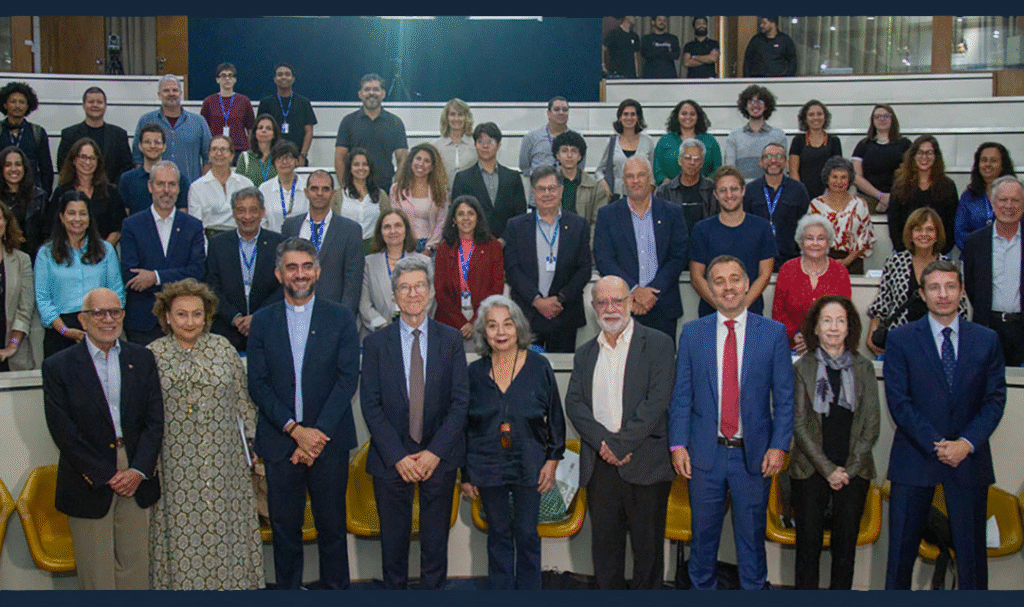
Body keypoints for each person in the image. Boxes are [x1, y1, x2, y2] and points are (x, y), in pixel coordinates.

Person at [670, 254, 794, 590]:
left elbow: (784, 398)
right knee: (703, 544)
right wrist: (677, 443)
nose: (728, 287)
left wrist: (779, 445)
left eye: (735, 278)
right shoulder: (693, 334)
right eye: (720, 281)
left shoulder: (771, 333)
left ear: (747, 282)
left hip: (753, 456)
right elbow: (682, 395)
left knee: (752, 545)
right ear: (708, 287)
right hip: (704, 456)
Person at [884, 259, 1006, 590]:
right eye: (935, 288)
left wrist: (965, 444)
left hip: (968, 461)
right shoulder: (900, 339)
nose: (943, 295)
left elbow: (994, 401)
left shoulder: (987, 340)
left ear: (962, 291)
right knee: (899, 561)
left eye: (950, 286)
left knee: (971, 563)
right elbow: (900, 403)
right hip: (915, 458)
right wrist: (938, 444)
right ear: (922, 294)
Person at [247, 237, 360, 590]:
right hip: (281, 443)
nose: (300, 274)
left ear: (318, 271)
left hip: (329, 441)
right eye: (292, 268)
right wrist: (296, 431)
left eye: (306, 267)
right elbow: (258, 385)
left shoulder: (340, 317)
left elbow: (346, 380)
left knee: (332, 529)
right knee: (284, 531)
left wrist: (315, 435)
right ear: (279, 274)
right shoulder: (262, 322)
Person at [41, 286, 163, 590]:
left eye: (115, 312)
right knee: (97, 575)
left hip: (136, 471)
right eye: (99, 313)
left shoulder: (143, 358)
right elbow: (63, 431)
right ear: (83, 319)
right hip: (89, 476)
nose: (108, 319)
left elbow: (155, 420)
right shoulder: (58, 366)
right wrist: (105, 474)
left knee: (135, 568)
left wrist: (138, 470)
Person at [360, 255, 469, 590]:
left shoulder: (451, 340)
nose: (412, 293)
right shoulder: (376, 343)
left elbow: (460, 402)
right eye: (404, 287)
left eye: (419, 286)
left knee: (435, 548)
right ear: (394, 295)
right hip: (392, 459)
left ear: (431, 291)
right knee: (393, 548)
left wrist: (434, 453)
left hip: (438, 457)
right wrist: (398, 457)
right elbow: (371, 405)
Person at [147, 278, 263, 590]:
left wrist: (254, 445)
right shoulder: (152, 355)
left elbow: (243, 401)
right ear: (167, 317)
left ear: (206, 316)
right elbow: (144, 414)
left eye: (197, 314)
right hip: (175, 466)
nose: (190, 321)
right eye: (182, 314)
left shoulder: (223, 348)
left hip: (227, 465)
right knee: (184, 536)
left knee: (228, 533)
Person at [564, 275, 676, 589]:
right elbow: (574, 403)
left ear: (630, 302)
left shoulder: (658, 343)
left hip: (645, 462)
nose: (610, 308)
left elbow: (657, 401)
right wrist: (604, 444)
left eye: (617, 301)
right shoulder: (585, 353)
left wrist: (621, 443)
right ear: (593, 306)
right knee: (605, 551)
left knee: (648, 552)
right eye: (603, 302)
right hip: (601, 467)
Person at [461, 295, 565, 589]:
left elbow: (555, 418)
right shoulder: (474, 373)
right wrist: (466, 474)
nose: (501, 332)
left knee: (528, 534)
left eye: (507, 324)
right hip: (487, 465)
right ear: (484, 333)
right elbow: (464, 427)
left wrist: (552, 461)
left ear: (518, 327)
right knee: (498, 535)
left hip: (529, 464)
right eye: (492, 326)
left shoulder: (539, 366)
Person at [790, 295, 880, 590]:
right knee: (807, 550)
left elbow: (871, 425)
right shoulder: (802, 367)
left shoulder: (864, 368)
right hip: (810, 470)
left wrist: (847, 471)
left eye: (840, 321)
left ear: (849, 327)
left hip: (854, 472)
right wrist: (828, 469)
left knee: (845, 553)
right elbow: (800, 425)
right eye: (826, 321)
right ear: (815, 328)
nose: (833, 327)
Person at [594, 156, 688, 338]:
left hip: (662, 305)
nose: (635, 181)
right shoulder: (607, 215)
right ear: (623, 180)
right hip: (622, 306)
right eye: (630, 176)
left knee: (661, 365)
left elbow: (678, 256)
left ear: (651, 178)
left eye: (641, 175)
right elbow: (604, 259)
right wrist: (634, 291)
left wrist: (651, 293)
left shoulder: (672, 213)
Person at [503, 166, 592, 353]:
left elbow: (584, 269)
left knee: (561, 375)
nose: (547, 194)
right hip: (527, 314)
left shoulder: (578, 225)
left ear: (561, 191)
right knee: (525, 373)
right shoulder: (516, 226)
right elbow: (512, 269)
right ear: (533, 193)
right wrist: (536, 300)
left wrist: (559, 299)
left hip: (564, 313)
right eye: (541, 189)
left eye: (551, 188)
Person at [120, 161, 206, 345]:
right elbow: (130, 274)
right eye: (160, 184)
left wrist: (155, 277)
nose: (166, 190)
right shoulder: (132, 225)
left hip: (184, 323)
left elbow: (197, 272)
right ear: (150, 187)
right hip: (143, 322)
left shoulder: (193, 226)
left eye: (172, 184)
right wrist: (177, 276)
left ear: (178, 188)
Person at [35, 191, 125, 358]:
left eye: (82, 213)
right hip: (60, 331)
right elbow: (43, 299)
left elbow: (116, 292)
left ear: (89, 218)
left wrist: (102, 324)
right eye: (71, 213)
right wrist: (64, 330)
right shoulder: (46, 253)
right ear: (61, 217)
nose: (77, 219)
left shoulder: (106, 250)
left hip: (100, 324)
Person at [866, 207, 966, 357]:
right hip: (900, 341)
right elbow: (883, 303)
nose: (924, 234)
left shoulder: (948, 267)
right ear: (911, 234)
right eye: (918, 229)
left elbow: (960, 309)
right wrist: (872, 335)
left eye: (930, 229)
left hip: (937, 344)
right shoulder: (895, 262)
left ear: (937, 235)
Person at [690, 166, 776, 318]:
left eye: (734, 189)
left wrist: (741, 307)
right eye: (723, 190)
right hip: (712, 314)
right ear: (716, 194)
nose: (729, 195)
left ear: (743, 191)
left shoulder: (762, 228)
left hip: (750, 312)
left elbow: (765, 274)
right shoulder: (701, 229)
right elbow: (696, 276)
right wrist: (723, 307)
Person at [205, 187, 283, 352]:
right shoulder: (217, 244)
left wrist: (257, 318)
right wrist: (235, 318)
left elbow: (282, 288)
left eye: (253, 210)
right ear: (233, 213)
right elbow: (211, 286)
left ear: (262, 212)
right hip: (227, 331)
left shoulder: (279, 244)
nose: (247, 217)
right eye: (241, 210)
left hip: (268, 331)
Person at [962, 176, 1024, 367]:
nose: (1009, 205)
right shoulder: (975, 242)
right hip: (987, 328)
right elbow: (972, 288)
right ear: (993, 202)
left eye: (1015, 200)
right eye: (1003, 200)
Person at [281, 170, 363, 314]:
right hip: (295, 309)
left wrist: (344, 318)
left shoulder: (350, 230)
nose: (319, 193)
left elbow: (353, 282)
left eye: (325, 189)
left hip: (333, 313)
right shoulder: (290, 226)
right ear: (306, 193)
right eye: (314, 189)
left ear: (333, 193)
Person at [772, 214, 852, 352]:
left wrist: (815, 340)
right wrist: (796, 335)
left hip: (830, 347)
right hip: (793, 346)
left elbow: (844, 314)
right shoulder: (787, 269)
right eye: (809, 238)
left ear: (828, 242)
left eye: (820, 238)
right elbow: (778, 313)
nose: (815, 243)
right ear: (801, 242)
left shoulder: (840, 271)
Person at [434, 195, 504, 345]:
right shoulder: (444, 248)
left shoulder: (493, 246)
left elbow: (497, 287)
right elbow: (440, 290)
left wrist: (474, 321)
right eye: (460, 214)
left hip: (484, 316)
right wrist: (461, 322)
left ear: (478, 217)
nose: (466, 218)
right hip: (450, 319)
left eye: (470, 213)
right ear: (453, 219)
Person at [359, 209, 433, 337]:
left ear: (406, 230)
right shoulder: (369, 263)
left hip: (415, 333)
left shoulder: (424, 262)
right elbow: (364, 304)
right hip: (379, 335)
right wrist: (384, 326)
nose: (393, 231)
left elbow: (429, 298)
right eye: (387, 227)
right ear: (380, 232)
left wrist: (410, 324)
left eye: (398, 225)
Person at [132, 74, 212, 186]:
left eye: (175, 90)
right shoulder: (146, 120)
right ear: (159, 95)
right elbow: (137, 158)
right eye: (166, 90)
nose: (171, 94)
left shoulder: (198, 122)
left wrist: (202, 186)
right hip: (156, 190)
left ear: (180, 93)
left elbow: (208, 158)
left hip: (190, 190)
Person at [451, 122, 527, 241]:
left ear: (498, 145)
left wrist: (504, 240)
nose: (485, 146)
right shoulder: (462, 178)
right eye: (481, 141)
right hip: (474, 245)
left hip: (508, 246)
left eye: (490, 141)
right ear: (475, 144)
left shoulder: (513, 177)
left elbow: (520, 214)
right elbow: (456, 214)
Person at [334, 73, 408, 192]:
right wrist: (345, 187)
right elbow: (339, 157)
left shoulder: (395, 122)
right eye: (367, 89)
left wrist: (395, 188)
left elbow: (403, 159)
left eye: (376, 89)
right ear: (360, 94)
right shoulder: (348, 121)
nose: (371, 93)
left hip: (385, 188)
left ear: (383, 94)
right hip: (355, 188)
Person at [742, 142, 810, 269]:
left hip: (790, 259)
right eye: (768, 157)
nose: (773, 161)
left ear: (786, 162)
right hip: (756, 259)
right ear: (760, 162)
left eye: (779, 157)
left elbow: (806, 226)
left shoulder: (798, 189)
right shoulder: (749, 190)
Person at [888, 134, 958, 255]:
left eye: (929, 152)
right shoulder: (900, 185)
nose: (924, 157)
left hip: (939, 253)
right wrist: (904, 251)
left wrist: (939, 251)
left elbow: (952, 223)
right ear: (913, 155)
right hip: (905, 253)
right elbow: (894, 222)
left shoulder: (948, 186)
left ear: (936, 156)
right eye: (920, 152)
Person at [48, 138, 127, 245]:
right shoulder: (61, 192)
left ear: (98, 162)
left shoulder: (111, 192)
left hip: (102, 255)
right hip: (68, 255)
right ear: (74, 160)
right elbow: (53, 226)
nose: (88, 162)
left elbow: (117, 229)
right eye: (83, 157)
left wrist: (103, 251)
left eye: (92, 158)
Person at [806, 156, 876, 275]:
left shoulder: (860, 204)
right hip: (821, 262)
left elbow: (864, 237)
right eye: (834, 177)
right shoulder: (815, 205)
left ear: (850, 180)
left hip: (853, 262)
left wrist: (846, 261)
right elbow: (810, 237)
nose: (839, 182)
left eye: (843, 177)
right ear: (827, 179)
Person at [56, 86, 133, 185]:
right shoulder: (69, 134)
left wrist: (112, 189)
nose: (95, 105)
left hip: (110, 194)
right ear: (83, 105)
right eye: (91, 102)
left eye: (99, 102)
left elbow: (126, 167)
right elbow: (63, 165)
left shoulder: (119, 135)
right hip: (78, 193)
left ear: (105, 106)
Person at [187, 136, 254, 240]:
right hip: (210, 241)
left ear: (232, 155)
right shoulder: (197, 187)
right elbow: (196, 224)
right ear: (209, 155)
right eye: (214, 149)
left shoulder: (245, 184)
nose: (219, 153)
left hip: (241, 239)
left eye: (224, 149)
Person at [955, 142, 1016, 252]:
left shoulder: (1015, 195)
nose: (988, 164)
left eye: (993, 160)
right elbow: (960, 233)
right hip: (974, 257)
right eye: (984, 160)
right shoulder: (968, 196)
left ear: (1003, 165)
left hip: (1009, 254)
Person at [851, 104, 912, 214]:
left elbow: (911, 173)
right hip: (869, 196)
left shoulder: (905, 144)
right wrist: (880, 196)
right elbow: (856, 177)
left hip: (899, 197)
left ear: (892, 119)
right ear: (872, 121)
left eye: (886, 116)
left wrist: (891, 198)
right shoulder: (863, 145)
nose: (882, 119)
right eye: (878, 116)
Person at [117, 124, 189, 215]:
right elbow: (124, 216)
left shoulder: (179, 179)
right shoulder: (127, 179)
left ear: (164, 146)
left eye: (157, 142)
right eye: (147, 142)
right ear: (140, 146)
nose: (152, 146)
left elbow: (182, 214)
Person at [390, 142, 448, 254]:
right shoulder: (396, 189)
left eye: (427, 161)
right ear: (411, 161)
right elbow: (395, 219)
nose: (421, 164)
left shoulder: (440, 192)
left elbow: (441, 223)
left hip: (432, 248)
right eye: (418, 159)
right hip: (403, 245)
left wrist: (429, 248)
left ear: (432, 167)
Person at [551, 130, 608, 240]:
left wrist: (587, 245)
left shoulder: (594, 186)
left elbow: (597, 223)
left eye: (574, 151)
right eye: (564, 151)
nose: (569, 155)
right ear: (557, 155)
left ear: (580, 156)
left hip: (583, 242)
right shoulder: (549, 185)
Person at [655, 138, 717, 239]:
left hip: (704, 244)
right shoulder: (664, 191)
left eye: (697, 159)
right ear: (680, 160)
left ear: (702, 163)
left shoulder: (712, 189)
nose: (692, 163)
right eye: (688, 158)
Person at [595, 99, 656, 201]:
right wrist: (604, 185)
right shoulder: (612, 142)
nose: (629, 118)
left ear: (638, 117)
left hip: (641, 197)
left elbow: (653, 171)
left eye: (633, 114)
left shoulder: (648, 141)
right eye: (625, 114)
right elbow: (599, 171)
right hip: (617, 197)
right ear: (620, 117)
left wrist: (649, 192)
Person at [256, 63, 316, 166]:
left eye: (287, 74)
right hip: (272, 157)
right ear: (275, 79)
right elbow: (261, 131)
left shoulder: (303, 102)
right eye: (280, 74)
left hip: (297, 157)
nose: (283, 77)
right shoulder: (266, 103)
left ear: (293, 79)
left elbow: (309, 131)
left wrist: (303, 155)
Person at [724, 85, 787, 182]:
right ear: (745, 106)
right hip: (743, 191)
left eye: (760, 101)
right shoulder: (734, 136)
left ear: (766, 106)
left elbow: (783, 167)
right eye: (751, 102)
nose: (755, 105)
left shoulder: (778, 136)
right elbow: (730, 169)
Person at [333, 147, 392, 250]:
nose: (361, 168)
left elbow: (387, 222)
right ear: (350, 168)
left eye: (365, 164)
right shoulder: (339, 195)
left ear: (370, 168)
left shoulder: (380, 195)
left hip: (373, 249)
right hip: (345, 248)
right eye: (356, 164)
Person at [0, 82, 52, 196]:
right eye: (13, 101)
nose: (17, 106)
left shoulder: (38, 132)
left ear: (28, 105)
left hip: (31, 195)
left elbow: (46, 169)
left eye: (22, 102)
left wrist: (45, 197)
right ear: (5, 104)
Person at [0, 201, 35, 370]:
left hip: (13, 355)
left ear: (6, 223)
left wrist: (12, 345)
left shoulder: (22, 260)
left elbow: (25, 309)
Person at [653, 99, 721, 184]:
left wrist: (704, 186)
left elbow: (717, 169)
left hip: (704, 193)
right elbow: (657, 169)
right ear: (677, 116)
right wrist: (670, 187)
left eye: (692, 114)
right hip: (670, 194)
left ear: (698, 117)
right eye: (684, 114)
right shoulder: (664, 141)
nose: (688, 117)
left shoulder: (710, 141)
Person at [788, 100, 843, 199]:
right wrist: (801, 194)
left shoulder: (834, 140)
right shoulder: (798, 140)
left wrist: (829, 193)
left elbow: (838, 170)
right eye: (811, 115)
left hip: (829, 194)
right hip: (803, 195)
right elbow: (793, 172)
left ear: (825, 117)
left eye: (819, 114)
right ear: (805, 119)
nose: (816, 118)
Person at [199, 62, 256, 158]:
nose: (227, 79)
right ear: (217, 79)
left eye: (230, 76)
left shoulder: (244, 101)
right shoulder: (209, 101)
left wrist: (251, 151)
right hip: (217, 150)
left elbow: (251, 129)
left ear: (235, 79)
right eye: (223, 76)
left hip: (239, 150)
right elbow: (204, 129)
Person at [0, 146, 47, 257]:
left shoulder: (39, 197)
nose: (13, 169)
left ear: (25, 167)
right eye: (8, 165)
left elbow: (45, 234)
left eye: (18, 164)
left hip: (32, 258)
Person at [519, 96, 572, 185]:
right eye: (557, 109)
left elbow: (579, 166)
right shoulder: (532, 137)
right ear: (548, 113)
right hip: (540, 193)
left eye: (565, 110)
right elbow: (524, 166)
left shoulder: (576, 138)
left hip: (567, 191)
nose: (561, 113)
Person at [259, 140, 308, 233]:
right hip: (273, 241)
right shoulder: (265, 188)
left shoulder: (306, 187)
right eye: (279, 158)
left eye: (289, 157)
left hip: (301, 242)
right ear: (274, 162)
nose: (284, 161)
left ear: (296, 160)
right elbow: (262, 222)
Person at [431, 98, 477, 190]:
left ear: (466, 117)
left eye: (460, 115)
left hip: (470, 199)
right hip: (443, 200)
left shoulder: (475, 145)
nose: (456, 119)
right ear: (446, 118)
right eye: (452, 114)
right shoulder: (435, 146)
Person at [235, 113, 279, 187]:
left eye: (268, 128)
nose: (263, 131)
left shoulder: (279, 157)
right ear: (255, 133)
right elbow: (238, 184)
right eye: (260, 128)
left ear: (274, 134)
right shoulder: (245, 157)